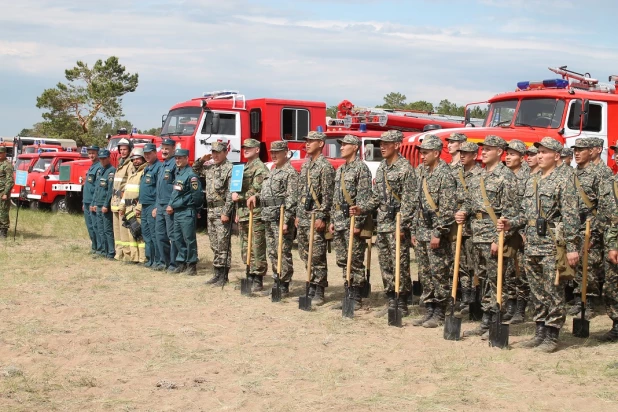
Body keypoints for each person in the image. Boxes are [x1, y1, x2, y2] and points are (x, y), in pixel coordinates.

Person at [497, 137, 580, 353]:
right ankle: (540, 331)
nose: (540, 156)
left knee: (553, 289)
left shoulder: (564, 180)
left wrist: (572, 247)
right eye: (539, 152)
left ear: (557, 155)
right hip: (532, 244)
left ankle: (552, 334)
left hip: (553, 245)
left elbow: (571, 217)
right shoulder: (533, 180)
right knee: (537, 291)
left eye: (545, 152)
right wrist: (510, 223)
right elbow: (525, 215)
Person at [456, 135, 518, 339]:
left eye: (489, 149)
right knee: (481, 278)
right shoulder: (478, 176)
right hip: (476, 234)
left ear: (500, 152)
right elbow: (469, 201)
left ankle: (495, 319)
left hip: (494, 234)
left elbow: (510, 212)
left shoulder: (506, 177)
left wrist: (498, 238)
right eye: (483, 148)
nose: (484, 151)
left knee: (497, 278)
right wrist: (462, 211)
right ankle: (485, 319)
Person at [352, 130, 416, 316]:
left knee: (400, 263)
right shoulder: (382, 167)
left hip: (397, 224)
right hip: (383, 223)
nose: (383, 147)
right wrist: (362, 208)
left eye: (387, 143)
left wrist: (402, 225)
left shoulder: (405, 168)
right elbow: (377, 197)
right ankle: (390, 299)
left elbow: (410, 200)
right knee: (386, 263)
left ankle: (401, 301)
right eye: (381, 143)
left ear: (397, 145)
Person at [409, 135, 457, 328]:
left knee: (439, 272)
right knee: (425, 272)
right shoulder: (422, 172)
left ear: (437, 153)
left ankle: (440, 310)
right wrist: (413, 229)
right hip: (421, 229)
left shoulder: (445, 175)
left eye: (426, 153)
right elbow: (416, 203)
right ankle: (429, 308)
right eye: (421, 152)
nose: (422, 156)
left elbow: (448, 208)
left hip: (436, 232)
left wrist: (438, 232)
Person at [330, 135, 372, 309]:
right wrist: (333, 219)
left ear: (355, 147)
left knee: (353, 259)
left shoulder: (361, 169)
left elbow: (363, 198)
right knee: (342, 259)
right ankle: (347, 291)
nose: (342, 148)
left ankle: (355, 296)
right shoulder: (340, 169)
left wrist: (359, 223)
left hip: (352, 220)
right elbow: (335, 198)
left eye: (345, 144)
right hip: (340, 220)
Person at [296, 131, 336, 305]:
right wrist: (298, 214)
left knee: (317, 254)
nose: (307, 144)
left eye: (311, 141)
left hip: (316, 217)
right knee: (305, 253)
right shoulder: (306, 165)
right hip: (304, 216)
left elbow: (328, 195)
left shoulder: (325, 167)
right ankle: (311, 282)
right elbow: (301, 193)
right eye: (307, 141)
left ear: (320, 143)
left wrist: (322, 217)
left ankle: (319, 288)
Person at [567, 138, 603, 319]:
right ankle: (576, 299)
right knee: (576, 265)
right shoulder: (572, 174)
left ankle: (588, 302)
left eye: (581, 150)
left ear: (591, 151)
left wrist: (595, 234)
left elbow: (603, 206)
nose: (577, 153)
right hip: (574, 226)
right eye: (575, 150)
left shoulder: (598, 174)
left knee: (589, 266)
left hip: (591, 225)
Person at [192, 140, 234, 286]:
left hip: (221, 210)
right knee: (214, 244)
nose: (215, 155)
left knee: (223, 244)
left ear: (225, 152)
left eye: (218, 152)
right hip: (210, 210)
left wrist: (226, 212)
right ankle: (216, 273)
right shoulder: (210, 168)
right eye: (213, 152)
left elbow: (231, 193)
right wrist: (202, 160)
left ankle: (224, 275)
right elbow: (195, 169)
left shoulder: (230, 169)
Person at [260, 140, 298, 296]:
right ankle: (276, 280)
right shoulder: (273, 171)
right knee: (272, 251)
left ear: (286, 152)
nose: (274, 155)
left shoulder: (290, 173)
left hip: (281, 218)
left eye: (277, 152)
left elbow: (292, 198)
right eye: (272, 152)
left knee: (282, 250)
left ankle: (284, 284)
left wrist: (287, 219)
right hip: (268, 217)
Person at [231, 138, 269, 292]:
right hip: (244, 213)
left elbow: (257, 190)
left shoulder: (260, 168)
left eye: (249, 147)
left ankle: (257, 279)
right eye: (244, 147)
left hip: (256, 213)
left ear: (257, 149)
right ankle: (249, 274)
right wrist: (237, 210)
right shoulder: (243, 168)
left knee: (256, 247)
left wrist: (238, 197)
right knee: (245, 246)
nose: (245, 150)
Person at [503, 139, 530, 324]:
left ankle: (521, 309)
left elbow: (529, 208)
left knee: (521, 272)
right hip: (507, 230)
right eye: (507, 154)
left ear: (522, 157)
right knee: (508, 271)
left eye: (512, 154)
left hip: (522, 233)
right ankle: (510, 306)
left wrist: (524, 231)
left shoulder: (528, 178)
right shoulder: (504, 175)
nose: (508, 157)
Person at [454, 141, 482, 315]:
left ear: (474, 155)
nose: (462, 155)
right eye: (461, 152)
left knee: (475, 265)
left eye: (466, 153)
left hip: (474, 226)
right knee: (462, 264)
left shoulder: (480, 174)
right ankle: (465, 297)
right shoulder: (457, 174)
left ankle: (475, 296)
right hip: (459, 226)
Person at [167, 149, 203, 275]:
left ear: (187, 158)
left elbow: (197, 195)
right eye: (176, 158)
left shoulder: (191, 175)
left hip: (187, 211)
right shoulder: (179, 173)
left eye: (180, 158)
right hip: (177, 212)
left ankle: (191, 265)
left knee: (189, 239)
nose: (178, 160)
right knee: (177, 238)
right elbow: (176, 192)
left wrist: (195, 209)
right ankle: (181, 262)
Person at [597, 143, 618, 342]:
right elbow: (604, 217)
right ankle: (616, 324)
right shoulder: (609, 183)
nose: (617, 156)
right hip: (610, 242)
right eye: (617, 152)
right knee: (611, 287)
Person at [118, 148, 148, 263]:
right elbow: (126, 192)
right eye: (133, 159)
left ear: (143, 159)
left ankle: (142, 258)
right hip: (128, 208)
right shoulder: (131, 174)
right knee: (132, 234)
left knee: (139, 234)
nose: (136, 161)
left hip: (137, 208)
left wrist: (139, 208)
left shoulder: (144, 172)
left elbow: (143, 193)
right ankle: (134, 258)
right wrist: (122, 207)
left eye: (138, 159)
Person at [153, 139, 177, 272]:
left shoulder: (175, 164)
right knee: (160, 235)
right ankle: (164, 262)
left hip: (169, 207)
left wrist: (171, 204)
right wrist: (156, 206)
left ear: (173, 148)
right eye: (163, 148)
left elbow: (176, 188)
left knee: (172, 236)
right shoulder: (163, 165)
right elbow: (159, 188)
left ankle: (174, 264)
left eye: (167, 148)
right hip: (160, 205)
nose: (164, 151)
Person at [110, 138, 135, 261]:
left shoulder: (130, 164)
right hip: (115, 201)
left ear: (130, 149)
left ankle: (127, 255)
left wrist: (124, 203)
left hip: (122, 201)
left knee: (124, 230)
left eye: (125, 149)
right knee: (117, 230)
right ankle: (118, 253)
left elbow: (129, 184)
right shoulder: (121, 162)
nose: (123, 151)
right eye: (121, 149)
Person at [139, 144, 161, 268]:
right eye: (145, 154)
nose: (147, 156)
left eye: (149, 153)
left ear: (155, 153)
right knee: (146, 234)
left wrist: (156, 206)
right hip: (144, 204)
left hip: (152, 204)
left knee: (154, 234)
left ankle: (157, 260)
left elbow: (159, 189)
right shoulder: (147, 167)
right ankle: (149, 259)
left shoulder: (158, 167)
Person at [92, 150, 116, 259]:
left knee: (107, 230)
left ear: (109, 158)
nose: (102, 160)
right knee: (100, 229)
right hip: (98, 204)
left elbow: (110, 190)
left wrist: (106, 205)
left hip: (105, 206)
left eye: (104, 158)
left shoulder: (111, 171)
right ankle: (103, 250)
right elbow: (97, 188)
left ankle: (111, 251)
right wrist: (95, 203)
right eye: (100, 158)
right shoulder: (100, 171)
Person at [83, 145, 101, 254]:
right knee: (90, 226)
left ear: (97, 154)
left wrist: (94, 202)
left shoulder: (99, 167)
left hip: (93, 202)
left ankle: (99, 248)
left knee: (96, 226)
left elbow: (97, 187)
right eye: (89, 153)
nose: (91, 155)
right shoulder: (92, 166)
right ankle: (94, 246)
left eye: (93, 153)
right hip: (86, 201)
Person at [0, 146, 14, 238]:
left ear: (4, 153)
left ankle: (3, 231)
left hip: (2, 192)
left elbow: (10, 181)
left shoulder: (7, 164)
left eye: (0, 153)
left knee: (3, 211)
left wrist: (5, 193)